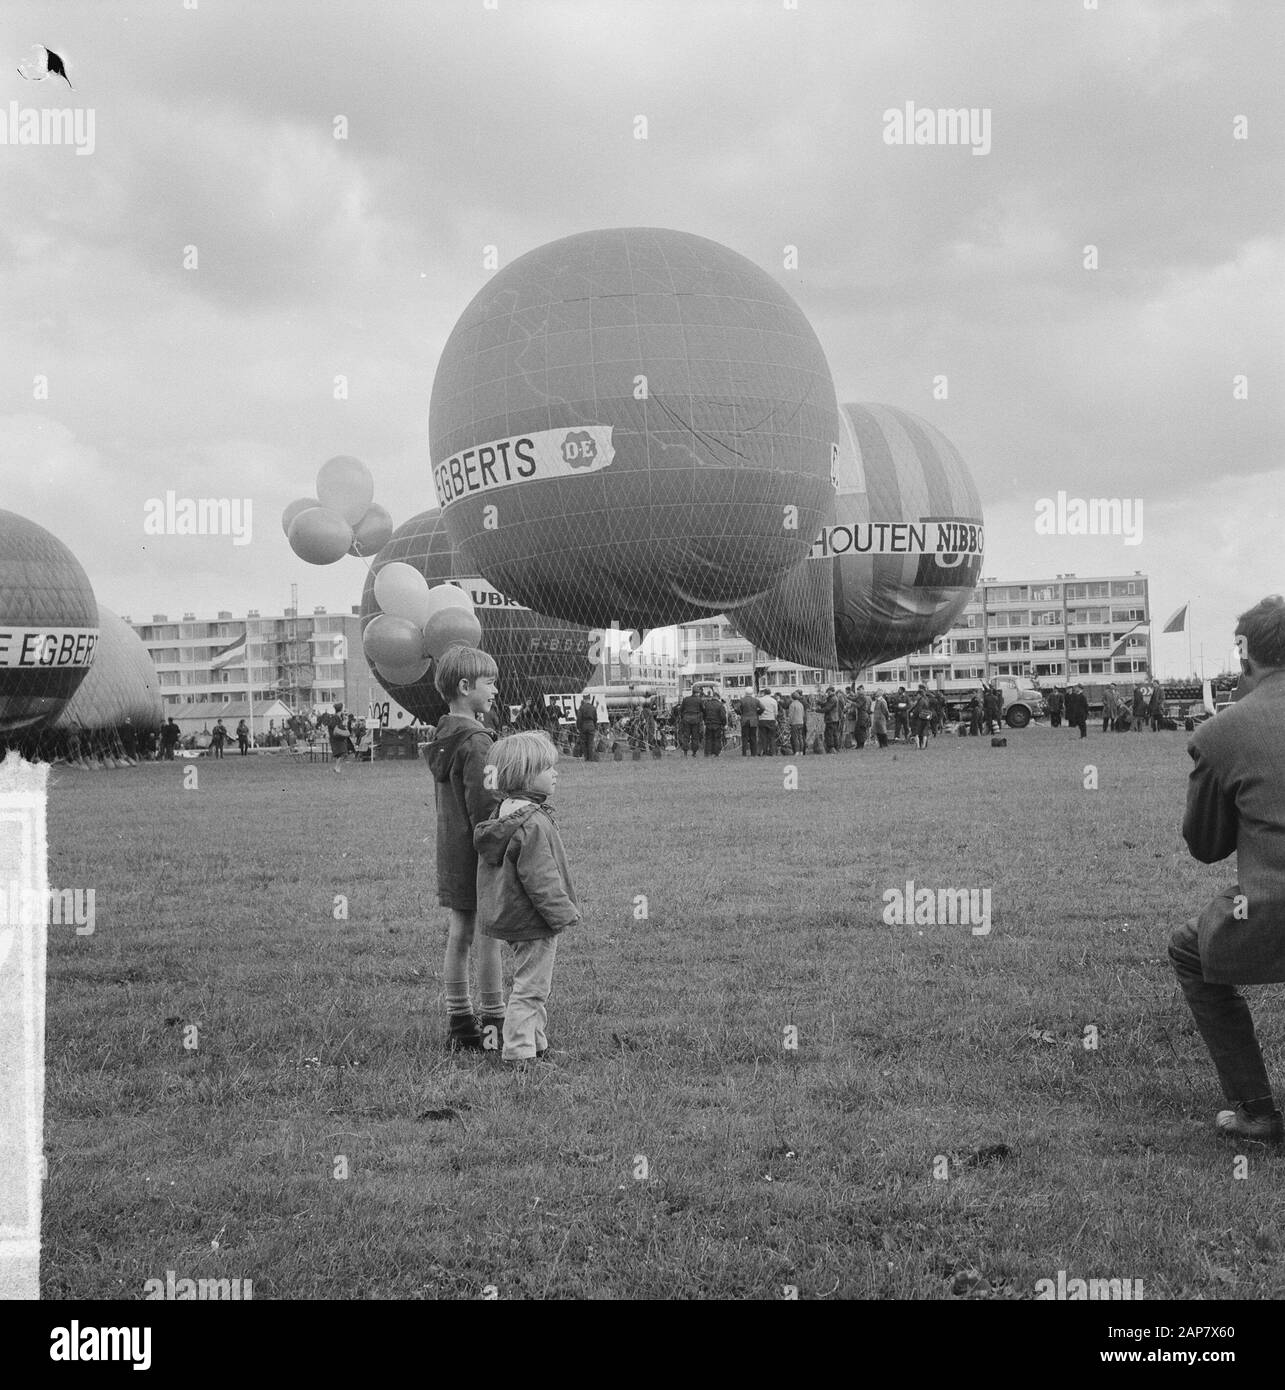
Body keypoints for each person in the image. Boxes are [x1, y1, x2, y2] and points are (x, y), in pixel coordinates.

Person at [1169, 595, 1285, 1141]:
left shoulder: (1223, 731)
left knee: (1189, 948)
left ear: (1244, 657)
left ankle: (1255, 1109)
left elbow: (1206, 845)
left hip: (1270, 915)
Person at [474, 731, 580, 1067]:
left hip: (511, 914)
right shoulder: (531, 823)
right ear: (525, 774)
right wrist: (562, 913)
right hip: (534, 919)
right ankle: (519, 1053)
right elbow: (540, 878)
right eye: (548, 768)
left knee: (533, 984)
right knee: (532, 988)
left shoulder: (503, 813)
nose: (556, 773)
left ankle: (537, 1043)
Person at [425, 645, 506, 1054]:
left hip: (452, 853)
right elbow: (485, 809)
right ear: (464, 686)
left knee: (460, 935)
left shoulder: (444, 736)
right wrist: (503, 846)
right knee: (489, 937)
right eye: (489, 682)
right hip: (479, 854)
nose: (495, 689)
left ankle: (460, 1026)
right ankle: (494, 1026)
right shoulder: (476, 742)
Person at [677, 686, 705, 758]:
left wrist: (683, 716)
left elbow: (681, 709)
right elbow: (703, 710)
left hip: (686, 720)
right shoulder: (699, 700)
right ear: (697, 693)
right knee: (695, 737)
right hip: (696, 720)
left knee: (686, 737)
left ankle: (685, 753)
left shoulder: (686, 699)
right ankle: (694, 753)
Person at [701, 688, 727, 756]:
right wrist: (724, 724)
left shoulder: (707, 704)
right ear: (718, 697)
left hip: (708, 724)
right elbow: (723, 716)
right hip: (717, 724)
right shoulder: (720, 705)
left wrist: (705, 721)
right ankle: (716, 753)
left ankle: (707, 753)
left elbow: (704, 714)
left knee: (708, 739)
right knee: (717, 739)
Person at [575, 694, 599, 762]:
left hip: (584, 726)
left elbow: (579, 718)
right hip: (591, 725)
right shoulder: (593, 708)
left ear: (584, 699)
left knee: (584, 742)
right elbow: (595, 719)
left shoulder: (581, 707)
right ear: (589, 699)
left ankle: (586, 758)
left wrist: (578, 727)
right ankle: (591, 758)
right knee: (590, 742)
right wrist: (594, 726)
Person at [738, 689, 761, 756]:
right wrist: (757, 713)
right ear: (752, 693)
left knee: (744, 737)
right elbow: (763, 708)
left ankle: (744, 753)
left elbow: (737, 708)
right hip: (753, 720)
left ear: (745, 692)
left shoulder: (742, 700)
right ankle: (754, 753)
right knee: (753, 737)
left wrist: (741, 713)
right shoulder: (756, 700)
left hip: (744, 720)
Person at [757, 688, 778, 756]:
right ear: (770, 693)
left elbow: (758, 710)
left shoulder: (760, 700)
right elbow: (776, 713)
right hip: (771, 719)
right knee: (772, 737)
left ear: (764, 693)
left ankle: (764, 751)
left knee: (763, 737)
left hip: (762, 720)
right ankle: (773, 752)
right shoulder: (774, 701)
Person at [911, 685, 933, 750]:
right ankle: (923, 745)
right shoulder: (926, 700)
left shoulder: (920, 701)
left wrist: (913, 714)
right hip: (926, 718)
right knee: (925, 732)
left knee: (916, 733)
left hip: (920, 718)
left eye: (917, 695)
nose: (916, 696)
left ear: (920, 695)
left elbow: (918, 710)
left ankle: (918, 746)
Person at [821, 686, 841, 753]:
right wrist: (820, 703)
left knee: (829, 734)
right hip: (835, 718)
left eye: (828, 692)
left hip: (831, 719)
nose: (827, 693)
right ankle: (836, 748)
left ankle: (831, 748)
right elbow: (826, 704)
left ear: (832, 691)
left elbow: (827, 708)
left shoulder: (832, 699)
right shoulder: (833, 698)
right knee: (834, 734)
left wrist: (817, 710)